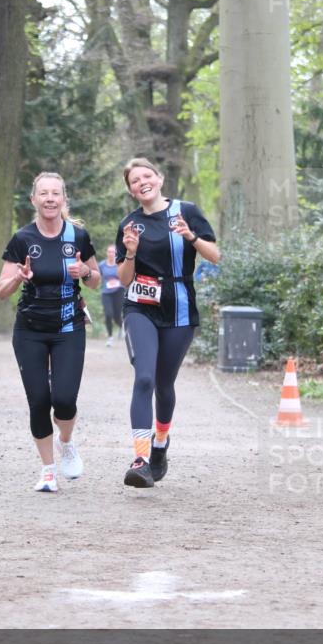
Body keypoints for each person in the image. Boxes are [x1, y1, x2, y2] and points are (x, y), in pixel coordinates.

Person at [115, 157, 220, 488]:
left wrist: (191, 237)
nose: (142, 182)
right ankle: (141, 459)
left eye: (147, 175)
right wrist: (130, 252)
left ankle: (161, 444)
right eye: (134, 180)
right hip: (141, 306)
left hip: (179, 305)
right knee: (144, 378)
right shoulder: (130, 225)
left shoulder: (186, 211)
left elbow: (215, 256)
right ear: (131, 191)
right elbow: (123, 279)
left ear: (159, 179)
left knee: (164, 383)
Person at [0, 172, 100, 493]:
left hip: (69, 327)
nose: (50, 198)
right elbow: (1, 290)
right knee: (39, 400)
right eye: (44, 193)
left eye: (56, 193)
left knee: (65, 400)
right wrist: (19, 278)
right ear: (34, 200)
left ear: (64, 200)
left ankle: (66, 443)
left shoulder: (78, 237)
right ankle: (48, 470)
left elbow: (96, 279)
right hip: (30, 330)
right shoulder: (22, 239)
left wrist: (85, 271)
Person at [98, 244, 123, 346]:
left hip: (119, 291)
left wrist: (117, 281)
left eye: (113, 252)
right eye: (109, 252)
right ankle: (110, 337)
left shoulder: (120, 263)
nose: (111, 254)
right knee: (108, 314)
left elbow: (125, 276)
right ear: (107, 253)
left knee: (117, 316)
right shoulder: (102, 265)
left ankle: (123, 326)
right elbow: (98, 277)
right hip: (106, 292)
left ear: (116, 253)